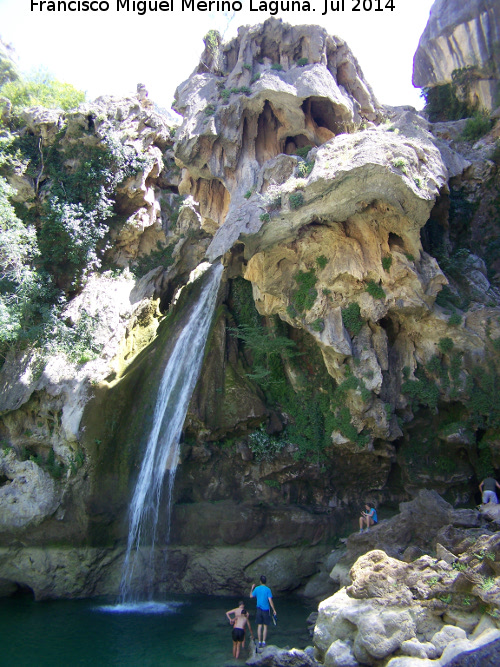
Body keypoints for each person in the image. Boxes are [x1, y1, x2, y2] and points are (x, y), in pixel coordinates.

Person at [250, 575, 277, 647]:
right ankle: (264, 642)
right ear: (266, 581)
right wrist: (274, 610)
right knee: (265, 626)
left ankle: (259, 642)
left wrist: (252, 588)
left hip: (259, 609)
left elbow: (251, 596)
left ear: (260, 581)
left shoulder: (257, 588)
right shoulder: (268, 589)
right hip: (266, 610)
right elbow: (270, 600)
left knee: (259, 626)